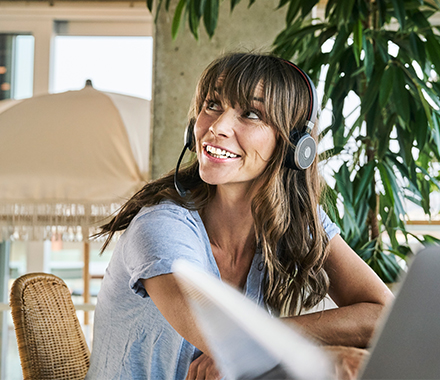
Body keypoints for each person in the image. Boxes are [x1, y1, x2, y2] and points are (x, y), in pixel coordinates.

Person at [85, 52, 394, 380]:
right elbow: (227, 342)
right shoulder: (160, 227)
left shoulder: (293, 221)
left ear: (292, 145)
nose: (217, 127)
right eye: (213, 105)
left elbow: (383, 314)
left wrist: (271, 335)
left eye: (250, 113)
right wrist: (328, 356)